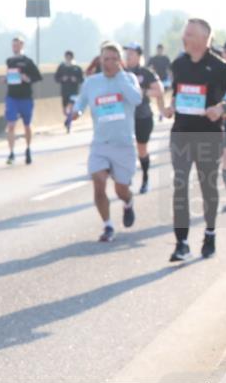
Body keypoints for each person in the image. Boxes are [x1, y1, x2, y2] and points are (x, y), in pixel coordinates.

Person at [165, 18, 226, 261]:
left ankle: (210, 233)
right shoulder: (179, 64)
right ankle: (181, 243)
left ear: (204, 39)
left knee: (207, 186)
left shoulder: (220, 67)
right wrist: (171, 106)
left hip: (208, 134)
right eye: (184, 33)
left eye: (189, 34)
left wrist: (221, 107)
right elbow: (178, 92)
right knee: (180, 185)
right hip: (181, 132)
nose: (185, 37)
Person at [69, 42, 143, 242]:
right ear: (100, 60)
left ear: (119, 61)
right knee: (99, 183)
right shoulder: (92, 82)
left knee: (121, 189)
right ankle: (108, 225)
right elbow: (81, 101)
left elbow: (137, 99)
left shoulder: (128, 79)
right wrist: (75, 111)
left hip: (124, 144)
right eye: (105, 59)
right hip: (101, 144)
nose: (108, 63)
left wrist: (120, 77)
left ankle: (128, 202)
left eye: (113, 59)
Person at [123, 42, 165, 194]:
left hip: (143, 116)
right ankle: (126, 178)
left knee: (142, 149)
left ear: (139, 56)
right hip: (125, 117)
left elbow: (159, 90)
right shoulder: (121, 72)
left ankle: (145, 178)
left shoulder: (146, 72)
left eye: (131, 53)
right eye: (126, 53)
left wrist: (141, 92)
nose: (128, 55)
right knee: (125, 148)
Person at [4, 36, 43, 164]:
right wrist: (6, 79)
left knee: (27, 125)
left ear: (22, 45)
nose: (14, 47)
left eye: (16, 45)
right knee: (11, 125)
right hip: (12, 97)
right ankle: (11, 153)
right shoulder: (9, 61)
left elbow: (38, 77)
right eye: (13, 45)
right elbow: (10, 74)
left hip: (25, 97)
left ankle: (28, 149)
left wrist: (27, 78)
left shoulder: (28, 61)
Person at [55, 50, 84, 133]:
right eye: (66, 57)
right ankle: (68, 119)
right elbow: (56, 78)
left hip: (74, 91)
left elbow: (82, 79)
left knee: (70, 107)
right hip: (64, 91)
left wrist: (76, 80)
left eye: (69, 57)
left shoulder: (77, 67)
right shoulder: (62, 67)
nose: (68, 58)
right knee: (65, 111)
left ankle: (68, 123)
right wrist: (62, 79)